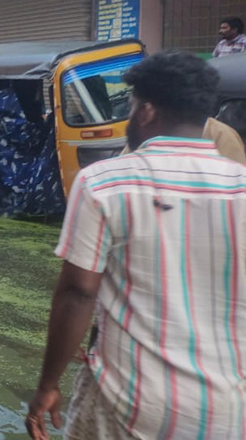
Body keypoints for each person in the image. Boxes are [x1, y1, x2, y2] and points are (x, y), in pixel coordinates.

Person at [25, 52, 246, 440]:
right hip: (229, 408)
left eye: (129, 107)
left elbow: (78, 292)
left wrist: (48, 384)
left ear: (145, 110)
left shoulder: (104, 183)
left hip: (126, 400)